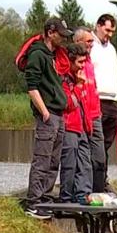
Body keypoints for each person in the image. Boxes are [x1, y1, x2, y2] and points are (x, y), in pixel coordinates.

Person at [21, 18, 73, 219]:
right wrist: (44, 112)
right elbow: (32, 86)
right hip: (48, 113)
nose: (62, 38)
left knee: (53, 160)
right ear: (51, 33)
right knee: (42, 159)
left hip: (58, 113)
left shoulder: (54, 55)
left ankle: (45, 198)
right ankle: (33, 201)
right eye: (60, 34)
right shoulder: (37, 54)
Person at [57, 43, 94, 204]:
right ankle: (66, 197)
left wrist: (88, 125)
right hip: (69, 126)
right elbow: (68, 104)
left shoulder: (78, 78)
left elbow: (84, 104)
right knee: (69, 164)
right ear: (70, 61)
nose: (83, 66)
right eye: (79, 62)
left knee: (85, 163)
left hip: (82, 127)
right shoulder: (64, 79)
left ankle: (82, 194)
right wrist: (78, 86)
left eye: (84, 62)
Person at [71, 27, 104, 196]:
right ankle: (82, 193)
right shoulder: (74, 62)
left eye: (92, 41)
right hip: (80, 116)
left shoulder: (90, 62)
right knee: (81, 159)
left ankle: (98, 191)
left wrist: (97, 111)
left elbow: (93, 88)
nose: (92, 44)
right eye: (88, 41)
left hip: (94, 115)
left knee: (99, 158)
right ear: (78, 42)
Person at [91, 13, 117, 192]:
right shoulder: (90, 45)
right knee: (96, 145)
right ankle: (94, 182)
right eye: (107, 29)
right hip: (97, 100)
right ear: (98, 26)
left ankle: (103, 180)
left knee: (106, 146)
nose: (109, 34)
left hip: (113, 101)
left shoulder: (111, 49)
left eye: (112, 31)